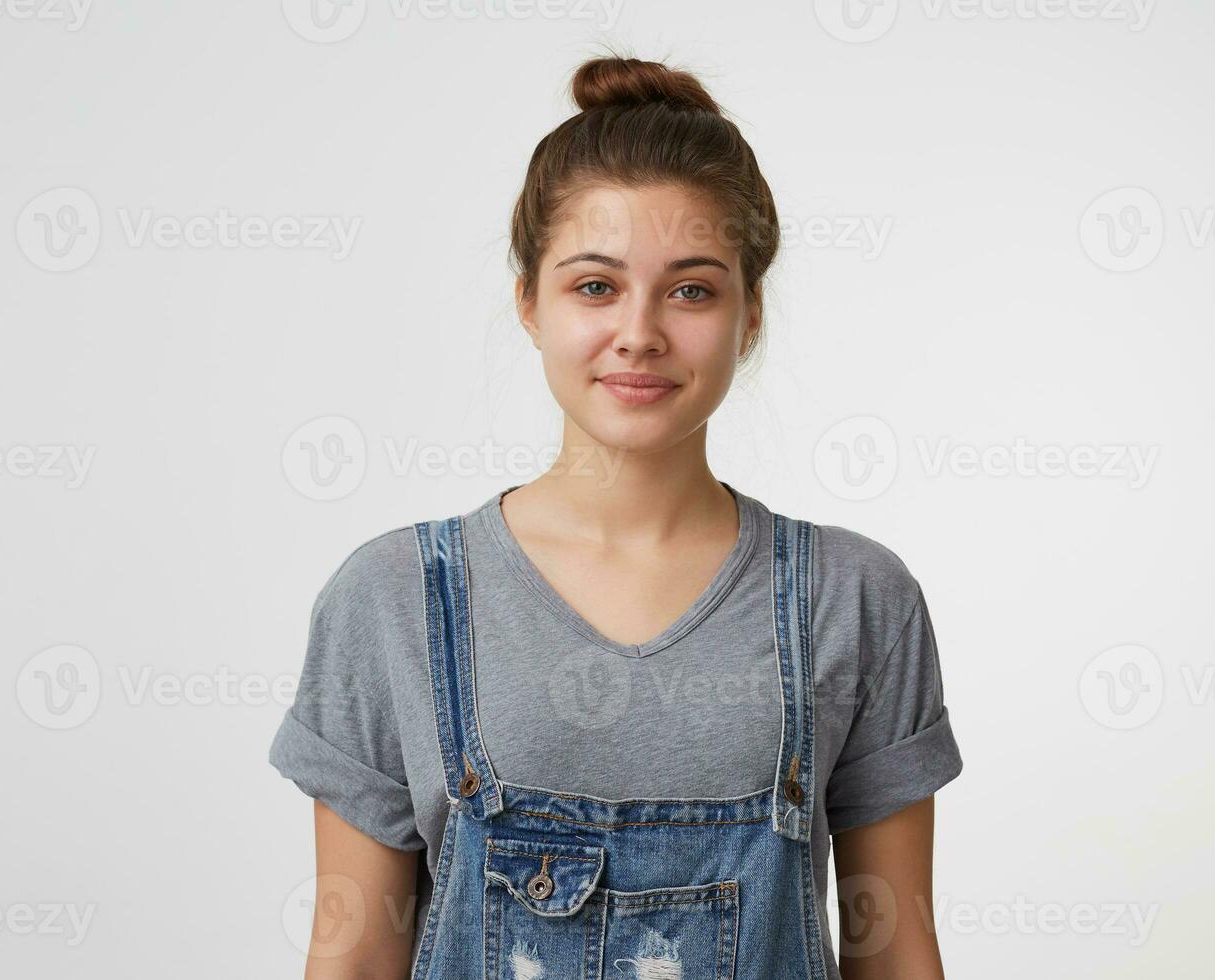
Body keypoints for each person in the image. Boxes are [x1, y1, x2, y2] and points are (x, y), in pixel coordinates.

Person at [269, 53, 964, 980]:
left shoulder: (856, 598)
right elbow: (352, 959)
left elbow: (897, 955)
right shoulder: (392, 598)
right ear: (530, 302)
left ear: (750, 313)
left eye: (692, 289)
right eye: (595, 286)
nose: (640, 331)